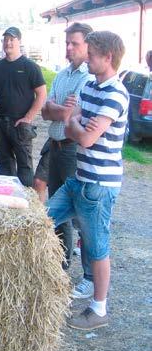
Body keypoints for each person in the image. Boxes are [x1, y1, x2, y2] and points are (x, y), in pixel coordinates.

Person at [46, 30, 128, 330]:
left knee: (96, 246)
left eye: (91, 54)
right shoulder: (91, 86)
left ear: (108, 57)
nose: (86, 58)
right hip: (79, 179)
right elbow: (71, 126)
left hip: (99, 185)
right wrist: (77, 123)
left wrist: (78, 125)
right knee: (42, 219)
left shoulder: (116, 93)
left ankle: (99, 309)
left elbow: (88, 137)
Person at [40, 22, 94, 279]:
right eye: (67, 43)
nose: (69, 48)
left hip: (73, 150)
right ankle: (60, 262)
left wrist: (58, 111)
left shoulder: (89, 77)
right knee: (58, 209)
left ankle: (88, 275)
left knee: (80, 213)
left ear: (88, 45)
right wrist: (61, 111)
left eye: (75, 43)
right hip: (56, 146)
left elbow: (74, 114)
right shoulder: (63, 75)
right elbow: (45, 111)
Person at [0, 26, 46, 186]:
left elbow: (41, 94)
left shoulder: (30, 67)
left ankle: (26, 202)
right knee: (4, 165)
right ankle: (8, 199)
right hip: (0, 122)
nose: (8, 43)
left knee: (25, 166)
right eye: (5, 39)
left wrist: (28, 118)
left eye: (12, 39)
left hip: (20, 125)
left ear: (19, 41)